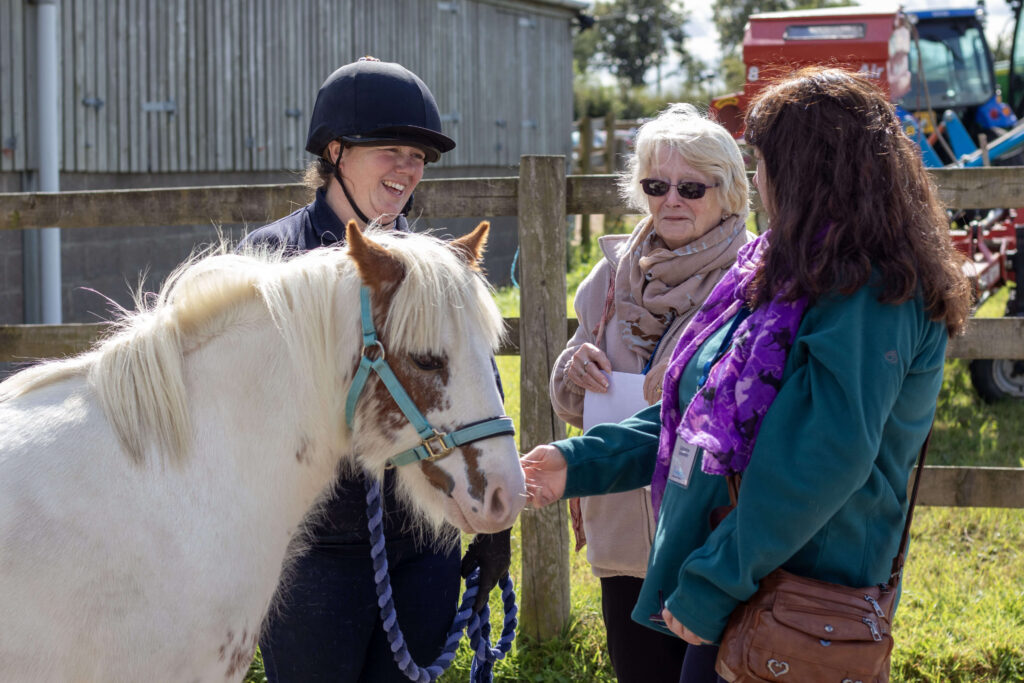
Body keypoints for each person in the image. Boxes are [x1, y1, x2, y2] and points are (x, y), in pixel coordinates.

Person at [522, 66, 972, 682]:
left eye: (765, 161)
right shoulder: (789, 272)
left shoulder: (869, 293)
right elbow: (703, 411)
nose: (758, 181)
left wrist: (714, 580)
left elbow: (821, 461)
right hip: (752, 581)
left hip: (796, 598)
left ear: (812, 172)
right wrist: (583, 461)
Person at [239, 57, 509, 683]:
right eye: (390, 149)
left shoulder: (438, 270)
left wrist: (491, 517)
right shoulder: (273, 261)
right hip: (310, 556)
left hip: (423, 549)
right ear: (335, 151)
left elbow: (476, 389)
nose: (409, 168)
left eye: (418, 156)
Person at [549, 103, 751, 683]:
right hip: (624, 535)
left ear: (731, 191)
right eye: (656, 185)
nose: (672, 201)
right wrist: (573, 369)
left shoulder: (754, 278)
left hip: (711, 541)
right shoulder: (610, 277)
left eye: (691, 186)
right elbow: (568, 399)